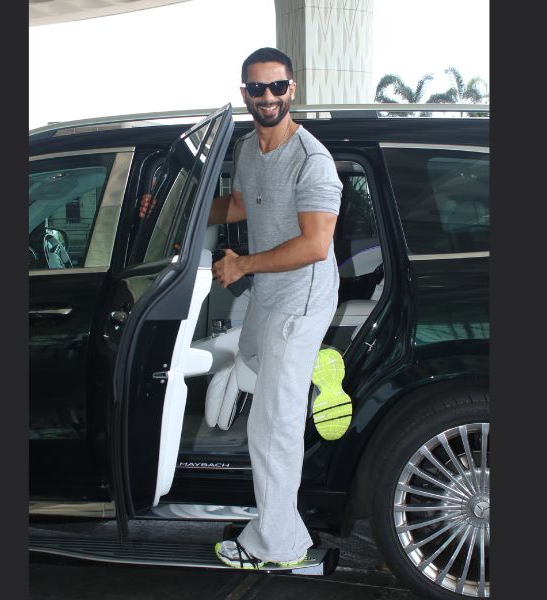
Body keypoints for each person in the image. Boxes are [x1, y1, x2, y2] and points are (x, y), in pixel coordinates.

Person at [141, 47, 342, 570]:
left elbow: (315, 245)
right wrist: (172, 212)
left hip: (300, 300)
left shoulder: (312, 160)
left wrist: (243, 265)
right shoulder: (249, 148)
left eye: (276, 87)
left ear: (292, 89)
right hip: (270, 294)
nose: (267, 97)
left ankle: (278, 546)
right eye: (257, 88)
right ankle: (310, 368)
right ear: (244, 94)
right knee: (249, 361)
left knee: (272, 426)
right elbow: (237, 205)